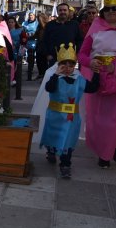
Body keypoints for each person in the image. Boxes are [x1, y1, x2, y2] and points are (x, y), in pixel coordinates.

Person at [39, 43, 99, 178]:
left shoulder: (79, 80)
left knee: (68, 141)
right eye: (64, 65)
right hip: (55, 116)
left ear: (75, 66)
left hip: (71, 119)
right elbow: (49, 88)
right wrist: (55, 74)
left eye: (71, 65)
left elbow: (93, 88)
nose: (67, 68)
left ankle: (65, 165)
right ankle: (51, 153)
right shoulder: (55, 79)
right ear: (59, 66)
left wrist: (97, 72)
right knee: (53, 136)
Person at [77, 0, 116, 169]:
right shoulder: (95, 29)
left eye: (115, 8)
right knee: (100, 119)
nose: (111, 12)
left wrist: (115, 67)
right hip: (97, 81)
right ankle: (103, 152)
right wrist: (91, 62)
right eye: (107, 9)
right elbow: (82, 55)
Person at [43, 3, 82, 67]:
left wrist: (77, 53)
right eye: (60, 10)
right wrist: (48, 54)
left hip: (70, 59)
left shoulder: (75, 24)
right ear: (57, 12)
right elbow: (45, 40)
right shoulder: (50, 25)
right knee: (54, 76)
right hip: (54, 59)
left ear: (68, 11)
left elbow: (79, 40)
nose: (62, 12)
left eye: (64, 10)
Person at [22, 12, 38, 80]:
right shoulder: (25, 23)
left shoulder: (37, 23)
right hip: (27, 43)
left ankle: (32, 74)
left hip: (35, 43)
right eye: (30, 15)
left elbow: (38, 32)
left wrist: (33, 35)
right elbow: (22, 31)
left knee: (34, 59)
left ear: (34, 16)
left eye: (32, 15)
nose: (30, 16)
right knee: (29, 59)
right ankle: (29, 74)